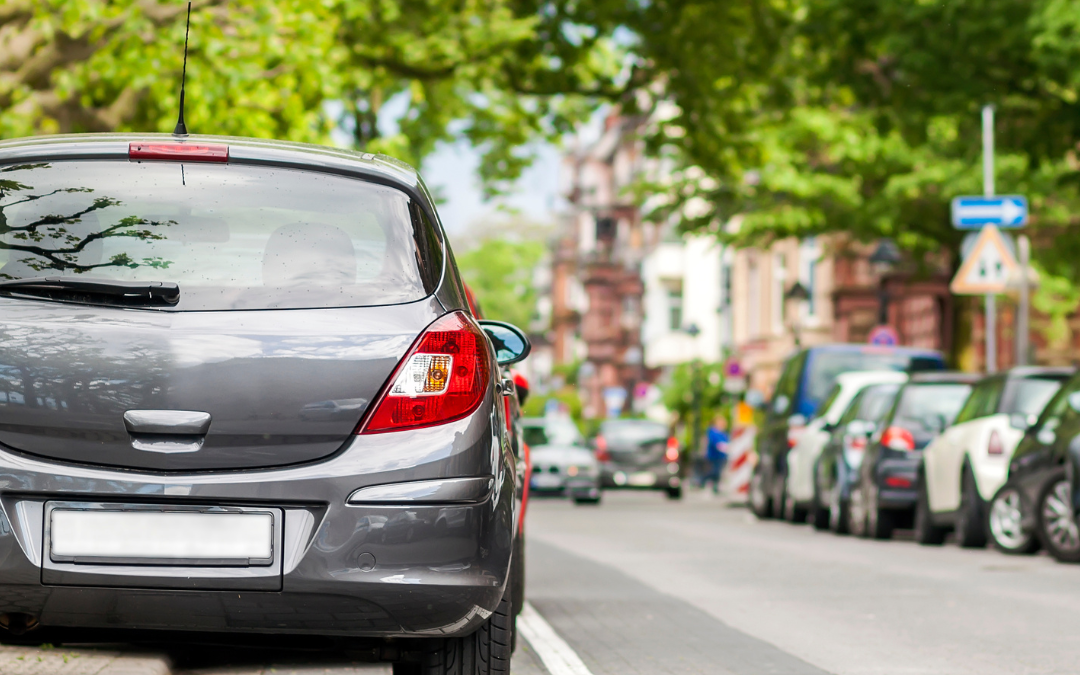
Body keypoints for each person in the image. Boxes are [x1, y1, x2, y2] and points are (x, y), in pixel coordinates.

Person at [704, 415, 730, 495]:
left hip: (721, 456)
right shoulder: (712, 431)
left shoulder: (723, 433)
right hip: (714, 455)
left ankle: (715, 487)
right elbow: (714, 442)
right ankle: (703, 482)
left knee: (718, 472)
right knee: (714, 471)